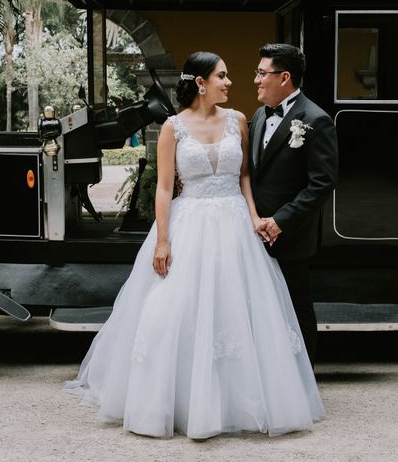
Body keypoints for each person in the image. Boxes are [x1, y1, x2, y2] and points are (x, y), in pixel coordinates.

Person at [65, 51, 324, 439]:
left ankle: (236, 400)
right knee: (173, 310)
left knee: (236, 309)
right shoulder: (173, 127)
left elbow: (245, 178)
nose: (230, 82)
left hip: (235, 223)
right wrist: (163, 240)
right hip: (190, 224)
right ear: (201, 83)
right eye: (222, 76)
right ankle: (177, 400)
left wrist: (253, 217)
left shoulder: (239, 120)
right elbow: (166, 187)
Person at [249, 43, 339, 365]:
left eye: (262, 73)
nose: (256, 80)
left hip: (291, 234)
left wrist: (280, 221)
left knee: (295, 306)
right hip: (255, 231)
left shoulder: (316, 119)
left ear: (284, 77)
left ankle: (301, 380)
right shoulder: (259, 115)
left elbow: (322, 182)